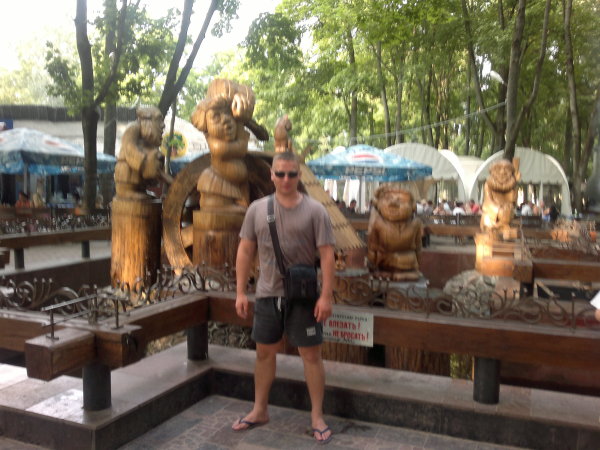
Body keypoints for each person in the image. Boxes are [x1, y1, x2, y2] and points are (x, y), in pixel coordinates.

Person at [232, 151, 336, 445]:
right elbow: (245, 251)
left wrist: (326, 296)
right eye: (280, 173)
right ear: (272, 175)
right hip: (268, 294)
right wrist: (240, 291)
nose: (286, 179)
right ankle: (259, 409)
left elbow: (327, 256)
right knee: (264, 353)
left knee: (311, 356)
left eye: (291, 174)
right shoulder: (257, 210)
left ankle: (317, 416)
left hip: (303, 297)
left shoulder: (316, 211)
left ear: (299, 175)